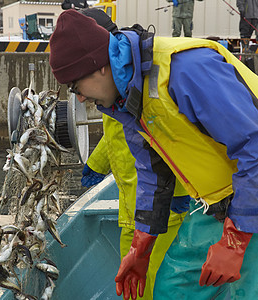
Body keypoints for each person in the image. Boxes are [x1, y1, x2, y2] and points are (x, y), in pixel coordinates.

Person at [49, 10, 258, 300]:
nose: (79, 98)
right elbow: (152, 172)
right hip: (217, 194)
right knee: (174, 288)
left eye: (75, 86)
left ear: (100, 67)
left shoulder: (186, 71)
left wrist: (234, 243)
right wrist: (140, 249)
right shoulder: (126, 100)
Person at [79, 8, 189, 299]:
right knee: (139, 279)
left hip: (154, 207)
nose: (79, 95)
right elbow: (114, 134)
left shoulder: (132, 88)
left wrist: (176, 197)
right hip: (133, 203)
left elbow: (164, 144)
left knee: (147, 280)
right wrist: (96, 164)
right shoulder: (115, 87)